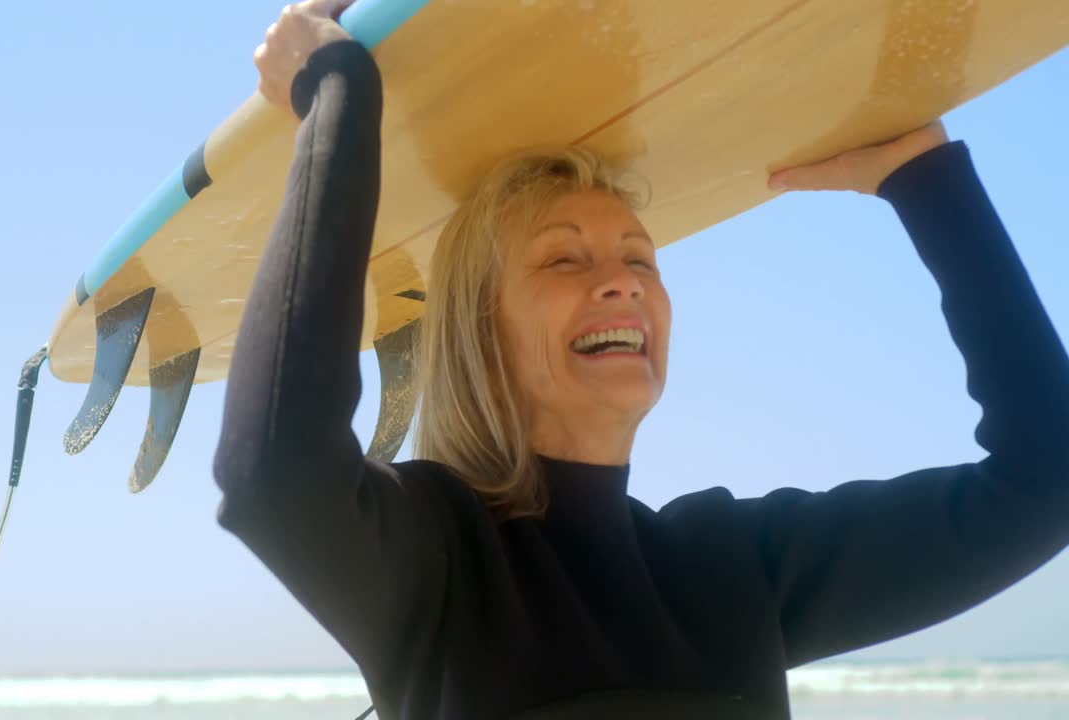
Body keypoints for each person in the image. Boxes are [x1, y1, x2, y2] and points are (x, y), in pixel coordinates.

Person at [213, 2, 1069, 718]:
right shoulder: (439, 562)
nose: (623, 283)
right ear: (478, 326)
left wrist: (925, 179)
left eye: (642, 258)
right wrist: (338, 100)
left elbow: (1049, 478)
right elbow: (275, 473)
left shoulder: (734, 566)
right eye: (564, 258)